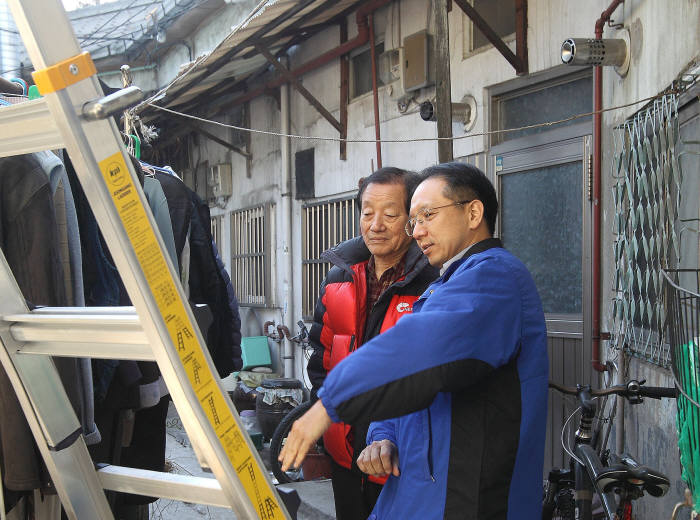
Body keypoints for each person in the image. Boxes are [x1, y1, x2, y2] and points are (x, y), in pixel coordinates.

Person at [280, 162, 549, 520]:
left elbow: (419, 352)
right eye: (414, 221)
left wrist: (331, 402)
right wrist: (385, 434)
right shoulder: (444, 286)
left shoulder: (494, 278)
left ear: (473, 213)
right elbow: (423, 390)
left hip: (467, 502)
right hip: (415, 493)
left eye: (427, 215)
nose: (418, 231)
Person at [306, 166, 439, 520]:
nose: (375, 225)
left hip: (402, 458)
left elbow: (435, 378)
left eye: (390, 215)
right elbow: (321, 361)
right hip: (344, 451)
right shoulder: (338, 279)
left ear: (411, 219)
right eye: (368, 213)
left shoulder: (433, 281)